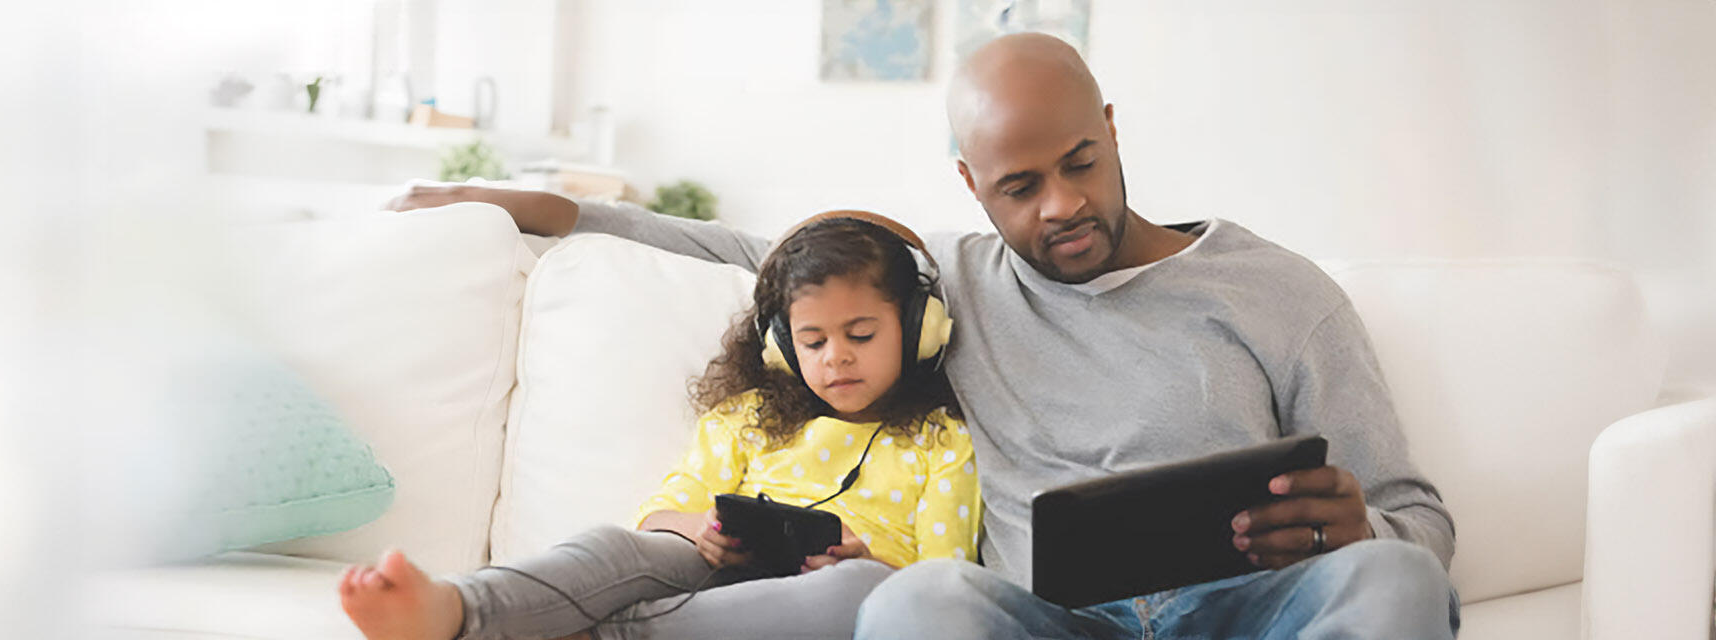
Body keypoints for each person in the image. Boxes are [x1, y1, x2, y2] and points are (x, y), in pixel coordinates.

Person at [388, 32, 1459, 638]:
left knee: (1401, 586)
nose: (1059, 208)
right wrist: (528, 205)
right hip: (1055, 621)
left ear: (1114, 129)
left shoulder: (1279, 292)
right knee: (919, 598)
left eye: (1080, 163)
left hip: (1244, 612)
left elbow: (1416, 516)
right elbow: (761, 253)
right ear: (970, 187)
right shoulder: (954, 282)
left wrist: (1367, 531)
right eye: (1019, 187)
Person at [337, 212, 982, 640]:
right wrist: (701, 531)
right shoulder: (752, 420)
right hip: (716, 568)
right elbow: (660, 512)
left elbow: (945, 579)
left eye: (861, 334)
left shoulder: (942, 440)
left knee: (858, 589)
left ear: (918, 329)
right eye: (812, 342)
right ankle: (459, 608)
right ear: (783, 349)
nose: (835, 356)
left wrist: (869, 559)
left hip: (823, 601)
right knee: (621, 549)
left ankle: (601, 632)